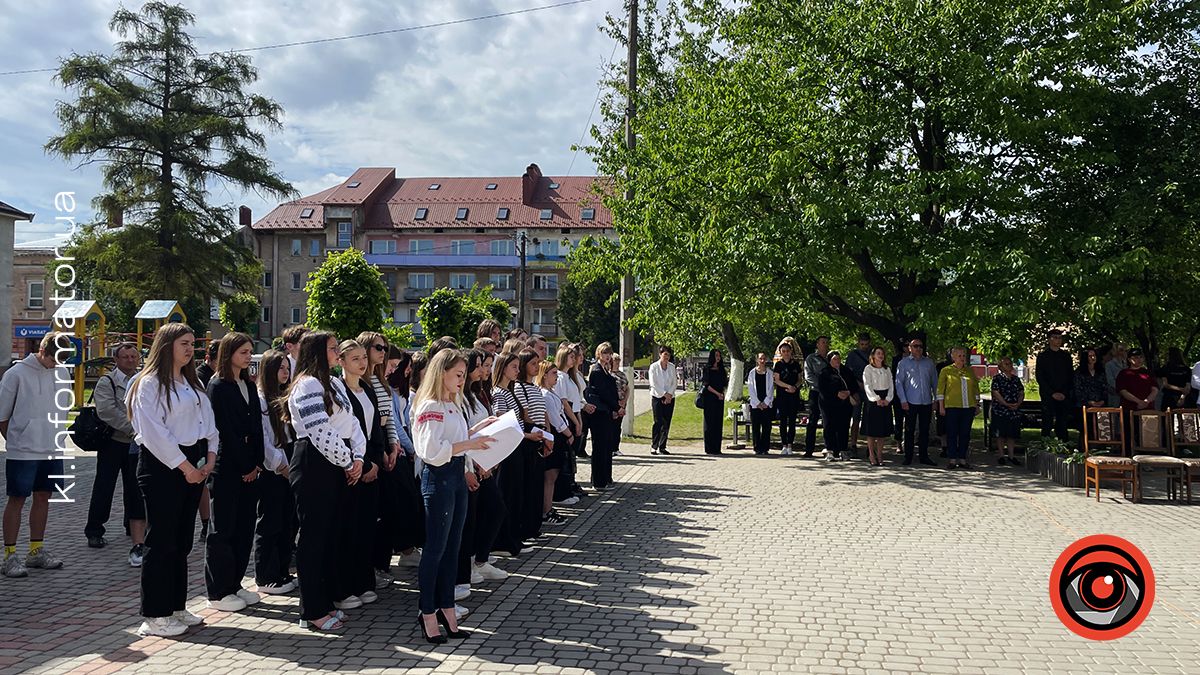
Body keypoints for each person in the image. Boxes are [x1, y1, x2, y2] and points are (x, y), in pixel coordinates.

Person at [128, 324, 219, 636]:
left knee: (181, 541)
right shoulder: (150, 383)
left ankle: (176, 606)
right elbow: (154, 433)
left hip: (193, 464)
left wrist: (209, 457)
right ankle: (154, 614)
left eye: (192, 344)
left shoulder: (192, 384)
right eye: (184, 343)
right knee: (162, 540)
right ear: (166, 345)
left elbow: (209, 425)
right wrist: (184, 467)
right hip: (162, 466)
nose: (189, 349)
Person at [411, 349, 495, 644]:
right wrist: (469, 442)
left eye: (463, 375)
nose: (462, 380)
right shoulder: (430, 405)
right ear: (441, 372)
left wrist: (476, 430)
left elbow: (454, 440)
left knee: (452, 548)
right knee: (435, 549)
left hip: (456, 477)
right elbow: (432, 450)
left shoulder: (451, 404)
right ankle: (427, 611)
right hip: (440, 479)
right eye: (458, 375)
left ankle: (447, 607)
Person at [285, 331, 366, 632]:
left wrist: (358, 456)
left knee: (330, 536)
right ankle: (312, 610)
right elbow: (319, 430)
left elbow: (351, 422)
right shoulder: (306, 384)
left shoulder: (332, 383)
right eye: (333, 349)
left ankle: (326, 600)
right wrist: (348, 460)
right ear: (318, 352)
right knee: (313, 538)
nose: (337, 353)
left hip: (336, 461)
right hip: (314, 463)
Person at [204, 332, 265, 613]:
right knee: (223, 529)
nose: (248, 357)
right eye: (243, 352)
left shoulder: (249, 385)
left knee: (243, 528)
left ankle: (236, 582)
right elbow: (224, 432)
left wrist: (256, 463)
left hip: (250, 469)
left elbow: (256, 428)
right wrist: (243, 466)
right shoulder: (217, 387)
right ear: (229, 354)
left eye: (250, 352)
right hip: (228, 468)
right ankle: (218, 590)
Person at [1, 332, 68, 579]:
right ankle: (9, 555)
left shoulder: (61, 372)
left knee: (43, 497)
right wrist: (18, 441)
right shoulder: (16, 374)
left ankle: (35, 550)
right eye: (53, 359)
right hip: (23, 450)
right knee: (17, 498)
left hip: (51, 448)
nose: (56, 365)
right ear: (42, 351)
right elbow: (2, 415)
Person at [85, 342, 148, 566]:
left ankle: (132, 527)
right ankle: (94, 529)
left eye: (134, 356)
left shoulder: (142, 380)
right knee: (104, 486)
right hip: (113, 442)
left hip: (134, 445)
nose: (131, 360)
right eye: (126, 357)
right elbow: (107, 411)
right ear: (117, 360)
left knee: (135, 487)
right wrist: (134, 428)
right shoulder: (107, 382)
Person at [334, 339, 382, 611]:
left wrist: (374, 461)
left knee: (366, 528)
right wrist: (358, 464)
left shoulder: (367, 388)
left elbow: (373, 430)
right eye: (355, 359)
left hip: (369, 464)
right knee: (347, 529)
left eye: (364, 357)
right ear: (341, 362)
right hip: (349, 467)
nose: (363, 363)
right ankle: (345, 586)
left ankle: (364, 581)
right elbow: (346, 431)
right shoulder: (339, 391)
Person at [455, 350, 507, 604]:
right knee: (470, 521)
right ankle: (467, 568)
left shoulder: (477, 394)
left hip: (483, 463)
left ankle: (479, 560)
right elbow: (459, 436)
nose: (482, 371)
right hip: (470, 465)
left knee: (494, 510)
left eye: (483, 367)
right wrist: (471, 466)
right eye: (477, 367)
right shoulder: (458, 398)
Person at [355, 332, 404, 587]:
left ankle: (381, 564)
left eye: (384, 348)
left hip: (385, 443)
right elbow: (367, 424)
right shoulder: (361, 382)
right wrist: (379, 452)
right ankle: (369, 567)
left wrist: (394, 444)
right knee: (372, 514)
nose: (383, 352)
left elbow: (389, 418)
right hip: (371, 448)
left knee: (389, 511)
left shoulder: (381, 380)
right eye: (378, 347)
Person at [254, 349, 297, 596]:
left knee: (286, 522)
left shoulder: (284, 396)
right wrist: (280, 466)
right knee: (270, 522)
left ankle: (282, 571)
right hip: (273, 469)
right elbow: (265, 440)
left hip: (288, 462)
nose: (285, 372)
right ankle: (266, 576)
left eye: (287, 368)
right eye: (281, 368)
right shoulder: (261, 399)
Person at [514, 350, 551, 541]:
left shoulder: (535, 387)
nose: (537, 367)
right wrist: (538, 433)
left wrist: (547, 434)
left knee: (537, 485)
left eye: (538, 363)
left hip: (540, 436)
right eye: (533, 364)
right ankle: (527, 528)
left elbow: (542, 412)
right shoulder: (520, 387)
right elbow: (525, 416)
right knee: (528, 487)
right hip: (530, 438)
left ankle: (535, 527)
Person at [895, 337, 939, 466]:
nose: (918, 348)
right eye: (915, 346)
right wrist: (903, 400)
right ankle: (908, 456)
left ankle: (924, 456)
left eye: (920, 346)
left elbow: (934, 383)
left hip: (926, 401)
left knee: (924, 430)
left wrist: (936, 399)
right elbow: (899, 383)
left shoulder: (929, 363)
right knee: (909, 430)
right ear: (910, 348)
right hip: (910, 401)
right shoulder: (903, 363)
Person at [538, 361, 572, 524]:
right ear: (544, 375)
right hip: (555, 436)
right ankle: (546, 510)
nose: (557, 377)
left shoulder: (551, 392)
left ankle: (548, 507)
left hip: (559, 435)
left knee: (553, 475)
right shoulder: (544, 394)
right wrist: (568, 433)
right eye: (553, 373)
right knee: (549, 476)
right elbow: (554, 418)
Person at [937, 347, 981, 470]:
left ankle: (962, 459)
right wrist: (941, 406)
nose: (962, 358)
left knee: (965, 434)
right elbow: (940, 390)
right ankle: (952, 459)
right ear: (953, 357)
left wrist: (977, 404)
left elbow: (975, 389)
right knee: (951, 433)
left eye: (964, 356)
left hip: (968, 406)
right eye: (960, 356)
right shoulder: (946, 370)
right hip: (952, 406)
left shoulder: (970, 371)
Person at [552, 344, 585, 503]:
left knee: (571, 456)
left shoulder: (570, 376)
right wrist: (575, 421)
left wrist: (578, 419)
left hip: (574, 414)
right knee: (565, 457)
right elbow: (564, 403)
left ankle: (569, 487)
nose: (574, 359)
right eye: (571, 356)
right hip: (567, 415)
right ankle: (562, 493)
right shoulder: (560, 377)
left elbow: (576, 401)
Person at [584, 343, 621, 485]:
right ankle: (599, 480)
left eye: (609, 353)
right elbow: (604, 393)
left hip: (606, 412)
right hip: (599, 413)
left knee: (607, 446)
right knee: (599, 446)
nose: (607, 356)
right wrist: (617, 407)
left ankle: (606, 477)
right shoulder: (597, 371)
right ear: (599, 354)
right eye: (604, 353)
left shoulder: (606, 370)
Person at [817, 351, 858, 461]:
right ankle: (830, 450)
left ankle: (843, 450)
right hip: (829, 404)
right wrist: (836, 393)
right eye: (835, 359)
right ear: (829, 360)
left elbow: (854, 385)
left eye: (839, 358)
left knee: (843, 426)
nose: (837, 361)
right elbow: (822, 388)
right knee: (829, 426)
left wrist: (849, 392)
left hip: (845, 404)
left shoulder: (846, 371)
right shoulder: (825, 372)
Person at [1116, 349, 1158, 453]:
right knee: (1128, 435)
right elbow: (1123, 391)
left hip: (1147, 410)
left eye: (1140, 357)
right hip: (1129, 409)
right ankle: (1128, 458)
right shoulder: (1124, 373)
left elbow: (1155, 389)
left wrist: (1146, 401)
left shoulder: (1147, 372)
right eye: (1135, 358)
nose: (1138, 360)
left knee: (1146, 436)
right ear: (1130, 359)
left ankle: (1147, 459)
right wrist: (1138, 401)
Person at [1035, 329, 1074, 442]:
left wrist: (1064, 392)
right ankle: (1045, 445)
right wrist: (1052, 393)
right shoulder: (1043, 356)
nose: (1058, 340)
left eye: (1060, 338)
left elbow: (1070, 376)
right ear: (1049, 339)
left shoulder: (1066, 356)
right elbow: (1040, 377)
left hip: (1063, 394)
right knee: (1047, 421)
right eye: (1055, 337)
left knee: (1062, 422)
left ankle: (1064, 445)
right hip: (1048, 395)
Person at [862, 346, 895, 466]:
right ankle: (871, 454)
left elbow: (891, 385)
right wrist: (876, 399)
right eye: (878, 353)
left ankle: (880, 454)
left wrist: (888, 399)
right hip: (873, 401)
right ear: (873, 356)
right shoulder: (868, 369)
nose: (881, 355)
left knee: (882, 431)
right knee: (872, 431)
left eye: (882, 353)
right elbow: (867, 385)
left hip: (885, 399)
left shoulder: (887, 369)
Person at [991, 357, 1025, 466]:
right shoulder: (997, 378)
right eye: (1006, 364)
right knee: (1000, 434)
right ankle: (1001, 455)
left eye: (1010, 363)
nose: (1009, 366)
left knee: (1011, 434)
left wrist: (1018, 404)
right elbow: (995, 392)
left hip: (1014, 410)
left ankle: (1011, 456)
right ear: (1000, 367)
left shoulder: (1016, 379)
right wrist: (1005, 403)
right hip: (1000, 410)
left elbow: (1021, 392)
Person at [773, 339, 802, 456]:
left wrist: (795, 386)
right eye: (783, 351)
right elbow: (777, 380)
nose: (786, 353)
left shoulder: (796, 364)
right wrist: (788, 386)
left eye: (787, 351)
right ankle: (784, 444)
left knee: (792, 422)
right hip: (782, 396)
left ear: (791, 352)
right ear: (781, 352)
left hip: (793, 396)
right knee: (783, 421)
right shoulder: (778, 365)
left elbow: (800, 379)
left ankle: (790, 444)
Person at [803, 336, 830, 456]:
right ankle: (809, 449)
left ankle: (829, 447)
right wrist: (823, 385)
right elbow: (809, 376)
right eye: (823, 342)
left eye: (827, 343)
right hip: (816, 392)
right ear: (817, 345)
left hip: (829, 394)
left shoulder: (831, 358)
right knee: (812, 420)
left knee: (828, 421)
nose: (825, 344)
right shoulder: (811, 359)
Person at [648, 346, 677, 455]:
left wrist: (669, 395)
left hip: (670, 397)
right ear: (660, 355)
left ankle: (662, 446)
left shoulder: (671, 367)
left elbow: (674, 382)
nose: (666, 357)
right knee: (658, 421)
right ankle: (654, 445)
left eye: (668, 355)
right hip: (657, 397)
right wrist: (663, 394)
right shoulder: (653, 367)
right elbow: (653, 384)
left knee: (666, 422)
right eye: (665, 354)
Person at [845, 333, 872, 451]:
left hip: (870, 390)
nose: (864, 346)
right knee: (855, 418)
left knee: (869, 418)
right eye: (862, 344)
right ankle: (853, 444)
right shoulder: (852, 355)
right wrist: (857, 384)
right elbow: (847, 373)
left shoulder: (873, 354)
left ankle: (869, 446)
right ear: (858, 343)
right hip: (856, 390)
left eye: (866, 344)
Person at [1073, 348, 1107, 438]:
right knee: (1086, 430)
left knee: (1101, 430)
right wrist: (1089, 402)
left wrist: (1102, 400)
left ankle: (1100, 448)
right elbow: (1077, 389)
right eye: (1090, 356)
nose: (1093, 358)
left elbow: (1105, 387)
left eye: (1094, 355)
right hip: (1084, 406)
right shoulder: (1079, 372)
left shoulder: (1101, 371)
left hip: (1100, 405)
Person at [700, 349, 728, 456]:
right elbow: (707, 385)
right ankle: (709, 447)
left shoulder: (721, 369)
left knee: (718, 422)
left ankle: (717, 447)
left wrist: (722, 394)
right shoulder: (707, 369)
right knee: (709, 422)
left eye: (719, 355)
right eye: (716, 355)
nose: (718, 357)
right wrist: (717, 394)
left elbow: (724, 383)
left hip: (719, 399)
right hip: (710, 398)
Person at [745, 353, 775, 455]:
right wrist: (757, 403)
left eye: (764, 358)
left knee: (767, 427)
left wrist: (766, 402)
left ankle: (765, 448)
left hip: (767, 404)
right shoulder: (752, 373)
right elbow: (751, 388)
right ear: (757, 360)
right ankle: (757, 447)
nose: (762, 360)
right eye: (760, 359)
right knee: (756, 427)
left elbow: (771, 388)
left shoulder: (770, 373)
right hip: (755, 404)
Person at [891, 340, 911, 452]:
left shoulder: (917, 358)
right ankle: (898, 444)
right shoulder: (896, 359)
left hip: (911, 394)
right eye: (905, 345)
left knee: (910, 420)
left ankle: (908, 443)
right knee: (899, 419)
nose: (907, 347)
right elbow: (894, 376)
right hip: (898, 394)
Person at [610, 354, 629, 457]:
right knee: (610, 427)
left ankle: (616, 448)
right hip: (612, 404)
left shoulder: (622, 375)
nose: (617, 362)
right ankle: (610, 447)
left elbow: (627, 388)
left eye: (618, 360)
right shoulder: (608, 374)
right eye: (615, 360)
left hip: (621, 404)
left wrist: (624, 401)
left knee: (618, 427)